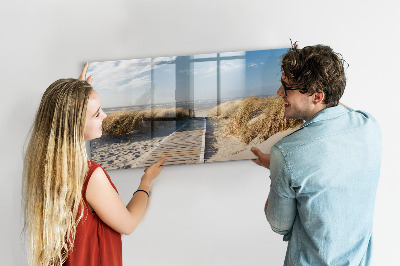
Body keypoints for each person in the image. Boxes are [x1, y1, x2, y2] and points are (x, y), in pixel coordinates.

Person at [22, 63, 165, 266]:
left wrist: (76, 95)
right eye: (97, 114)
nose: (104, 116)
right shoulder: (90, 176)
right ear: (75, 124)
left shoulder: (44, 168)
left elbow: (64, 118)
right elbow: (129, 223)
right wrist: (146, 182)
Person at [251, 44, 382, 265]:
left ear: (317, 96)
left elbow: (279, 225)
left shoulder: (286, 153)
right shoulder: (369, 125)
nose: (279, 92)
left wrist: (278, 169)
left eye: (287, 86)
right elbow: (336, 108)